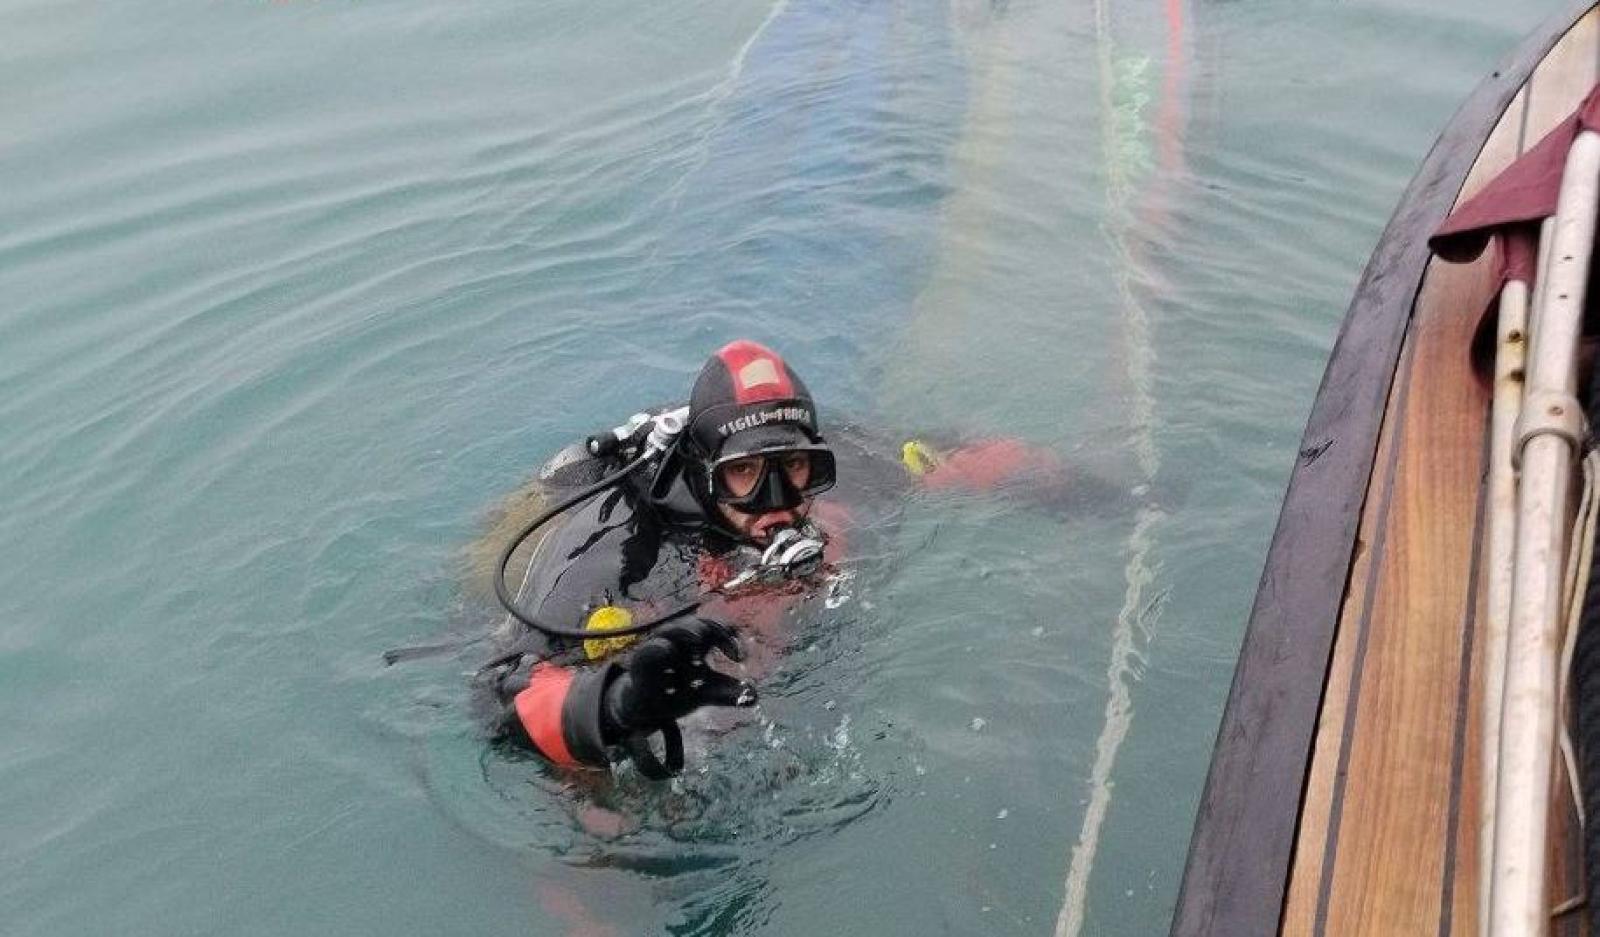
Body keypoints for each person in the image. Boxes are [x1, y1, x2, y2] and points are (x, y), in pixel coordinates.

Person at [480, 339, 1115, 778]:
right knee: (592, 797)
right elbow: (495, 693)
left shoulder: (849, 471)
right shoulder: (620, 550)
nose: (776, 500)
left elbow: (977, 459)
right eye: (746, 475)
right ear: (704, 475)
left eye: (793, 470)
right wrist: (613, 707)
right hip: (528, 543)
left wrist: (1109, 495)